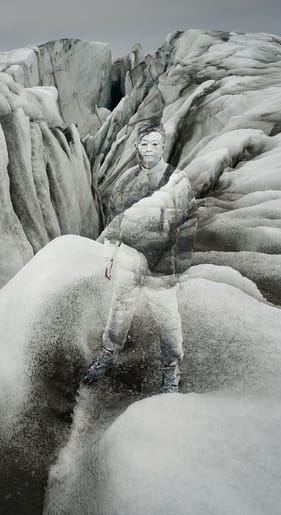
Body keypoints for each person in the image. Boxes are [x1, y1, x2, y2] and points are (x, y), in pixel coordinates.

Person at [83, 123, 194, 393]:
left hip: (161, 262)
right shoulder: (127, 180)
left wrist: (182, 264)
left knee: (167, 317)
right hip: (130, 257)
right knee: (119, 309)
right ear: (136, 147)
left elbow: (187, 222)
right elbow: (116, 221)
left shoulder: (176, 180)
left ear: (163, 145)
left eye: (155, 144)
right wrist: (109, 254)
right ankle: (108, 355)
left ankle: (171, 370)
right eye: (144, 144)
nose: (149, 149)